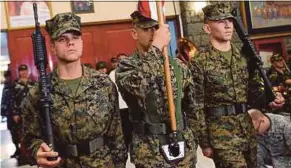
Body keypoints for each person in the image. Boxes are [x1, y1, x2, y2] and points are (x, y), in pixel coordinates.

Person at [22, 12, 127, 168]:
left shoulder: (103, 84)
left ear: (81, 42)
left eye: (75, 37)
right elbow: (29, 138)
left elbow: (116, 135)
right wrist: (37, 150)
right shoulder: (39, 92)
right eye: (62, 39)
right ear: (52, 48)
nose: (70, 43)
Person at [190, 2, 285, 168]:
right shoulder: (199, 62)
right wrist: (204, 142)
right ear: (207, 28)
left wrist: (270, 98)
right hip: (220, 134)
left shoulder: (244, 56)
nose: (227, 25)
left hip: (247, 128)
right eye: (220, 21)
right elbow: (195, 106)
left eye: (230, 20)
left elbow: (254, 94)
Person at [116, 11, 202, 168]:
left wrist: (193, 139)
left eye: (157, 28)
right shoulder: (126, 67)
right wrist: (156, 47)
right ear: (135, 33)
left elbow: (192, 108)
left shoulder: (178, 66)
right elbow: (135, 89)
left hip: (183, 147)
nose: (154, 33)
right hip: (149, 151)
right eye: (148, 29)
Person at [10, 64, 35, 163]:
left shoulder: (33, 83)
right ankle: (26, 156)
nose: (23, 72)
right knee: (24, 136)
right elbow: (12, 100)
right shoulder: (15, 84)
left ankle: (35, 156)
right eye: (21, 71)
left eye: (25, 70)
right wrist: (15, 113)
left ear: (28, 71)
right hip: (21, 115)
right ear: (19, 72)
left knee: (34, 134)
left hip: (33, 114)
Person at [109, 53, 132, 149]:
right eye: (120, 60)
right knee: (124, 132)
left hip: (131, 107)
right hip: (120, 108)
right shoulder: (113, 74)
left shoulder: (133, 71)